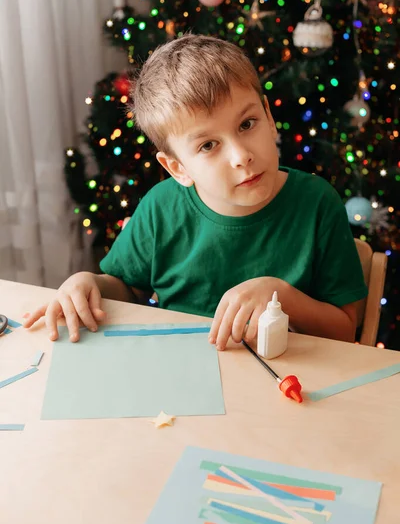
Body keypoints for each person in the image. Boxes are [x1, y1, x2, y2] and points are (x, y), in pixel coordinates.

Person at [23, 34, 367, 350]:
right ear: (177, 168)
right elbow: (126, 288)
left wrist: (282, 297)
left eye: (247, 124)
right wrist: (88, 283)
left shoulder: (317, 203)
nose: (241, 155)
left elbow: (344, 331)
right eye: (208, 145)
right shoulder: (161, 208)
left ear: (268, 115)